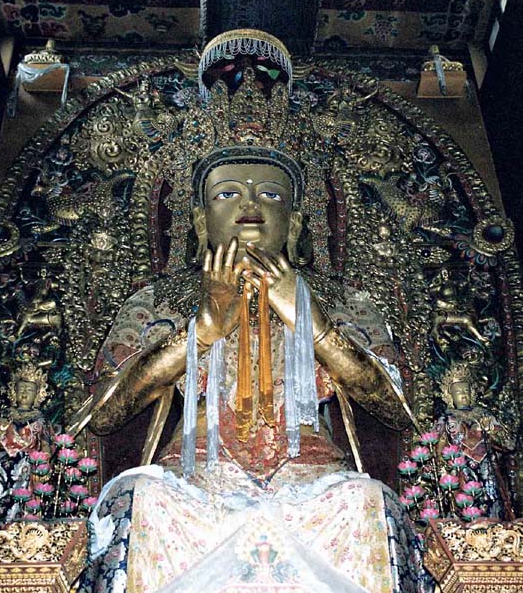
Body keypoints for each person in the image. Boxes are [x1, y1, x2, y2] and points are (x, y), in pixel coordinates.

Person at [72, 145, 428, 592]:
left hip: (310, 481)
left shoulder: (344, 302)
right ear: (201, 221)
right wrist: (200, 332)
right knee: (141, 498)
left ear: (294, 224)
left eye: (270, 195)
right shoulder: (158, 301)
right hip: (198, 481)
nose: (250, 204)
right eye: (228, 193)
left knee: (366, 501)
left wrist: (313, 326)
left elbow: (397, 410)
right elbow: (102, 414)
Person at [433, 362, 514, 520]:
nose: (463, 395)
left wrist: (490, 431)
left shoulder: (485, 415)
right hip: (461, 469)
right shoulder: (446, 418)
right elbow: (437, 446)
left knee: (493, 504)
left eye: (466, 390)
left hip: (487, 468)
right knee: (464, 506)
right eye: (458, 392)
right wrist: (443, 462)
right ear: (449, 395)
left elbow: (509, 443)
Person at [0, 362, 53, 520]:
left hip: (27, 466)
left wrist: (44, 462)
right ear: (13, 391)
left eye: (29, 390)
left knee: (25, 496)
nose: (24, 393)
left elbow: (46, 444)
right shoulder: (3, 415)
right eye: (21, 388)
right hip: (2, 464)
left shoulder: (41, 420)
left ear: (38, 394)